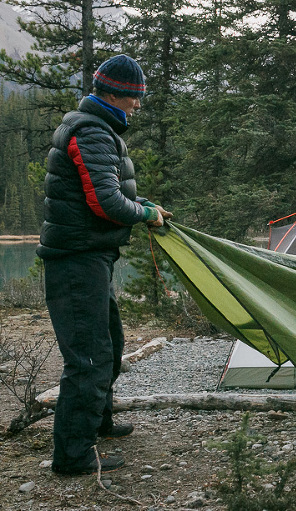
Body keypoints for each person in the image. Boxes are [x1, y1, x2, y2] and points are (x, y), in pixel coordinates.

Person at [38, 54, 172, 476]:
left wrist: (144, 203)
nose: (138, 105)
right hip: (76, 260)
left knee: (109, 344)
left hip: (90, 257)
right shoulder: (91, 130)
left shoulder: (95, 127)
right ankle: (73, 456)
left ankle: (100, 423)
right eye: (136, 98)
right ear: (117, 94)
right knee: (89, 358)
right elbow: (106, 202)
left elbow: (104, 189)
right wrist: (145, 215)